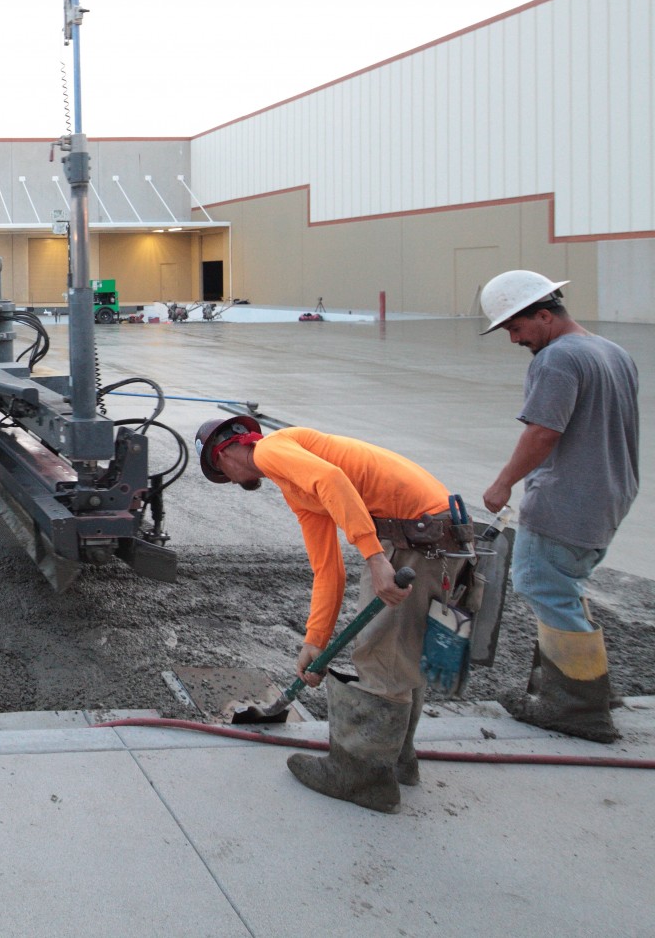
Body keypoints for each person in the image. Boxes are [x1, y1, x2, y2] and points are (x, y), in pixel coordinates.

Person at [196, 416, 466, 813]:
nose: (233, 482)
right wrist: (314, 642)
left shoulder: (271, 450)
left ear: (227, 452)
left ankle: (362, 777)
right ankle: (397, 761)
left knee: (380, 655)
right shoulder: (297, 485)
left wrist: (374, 558)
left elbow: (335, 481)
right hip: (432, 533)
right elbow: (328, 569)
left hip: (415, 536)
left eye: (223, 473)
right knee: (400, 649)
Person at [479, 271, 639, 743]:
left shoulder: (558, 358)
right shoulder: (613, 352)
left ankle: (576, 709)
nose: (514, 339)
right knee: (566, 586)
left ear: (544, 315)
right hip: (610, 493)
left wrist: (503, 483)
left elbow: (543, 431)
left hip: (569, 497)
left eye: (516, 328)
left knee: (543, 585)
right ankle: (590, 688)